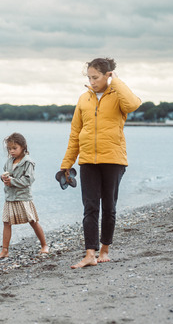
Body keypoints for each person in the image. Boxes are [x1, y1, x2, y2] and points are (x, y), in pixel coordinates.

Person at [60, 58, 141, 269]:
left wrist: (116, 81)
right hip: (88, 160)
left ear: (108, 75)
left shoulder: (119, 97)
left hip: (113, 159)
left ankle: (105, 249)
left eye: (95, 77)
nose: (91, 81)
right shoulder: (83, 99)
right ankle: (90, 254)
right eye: (89, 77)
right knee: (90, 207)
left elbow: (133, 104)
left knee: (109, 207)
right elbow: (75, 134)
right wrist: (66, 164)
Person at [0, 132, 49, 259]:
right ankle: (4, 250)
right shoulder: (9, 162)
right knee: (6, 222)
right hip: (10, 197)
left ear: (23, 147)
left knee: (33, 221)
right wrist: (3, 178)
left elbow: (29, 180)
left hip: (23, 197)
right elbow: (5, 175)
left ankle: (44, 245)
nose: (11, 151)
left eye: (14, 148)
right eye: (9, 149)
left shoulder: (28, 162)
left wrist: (12, 181)